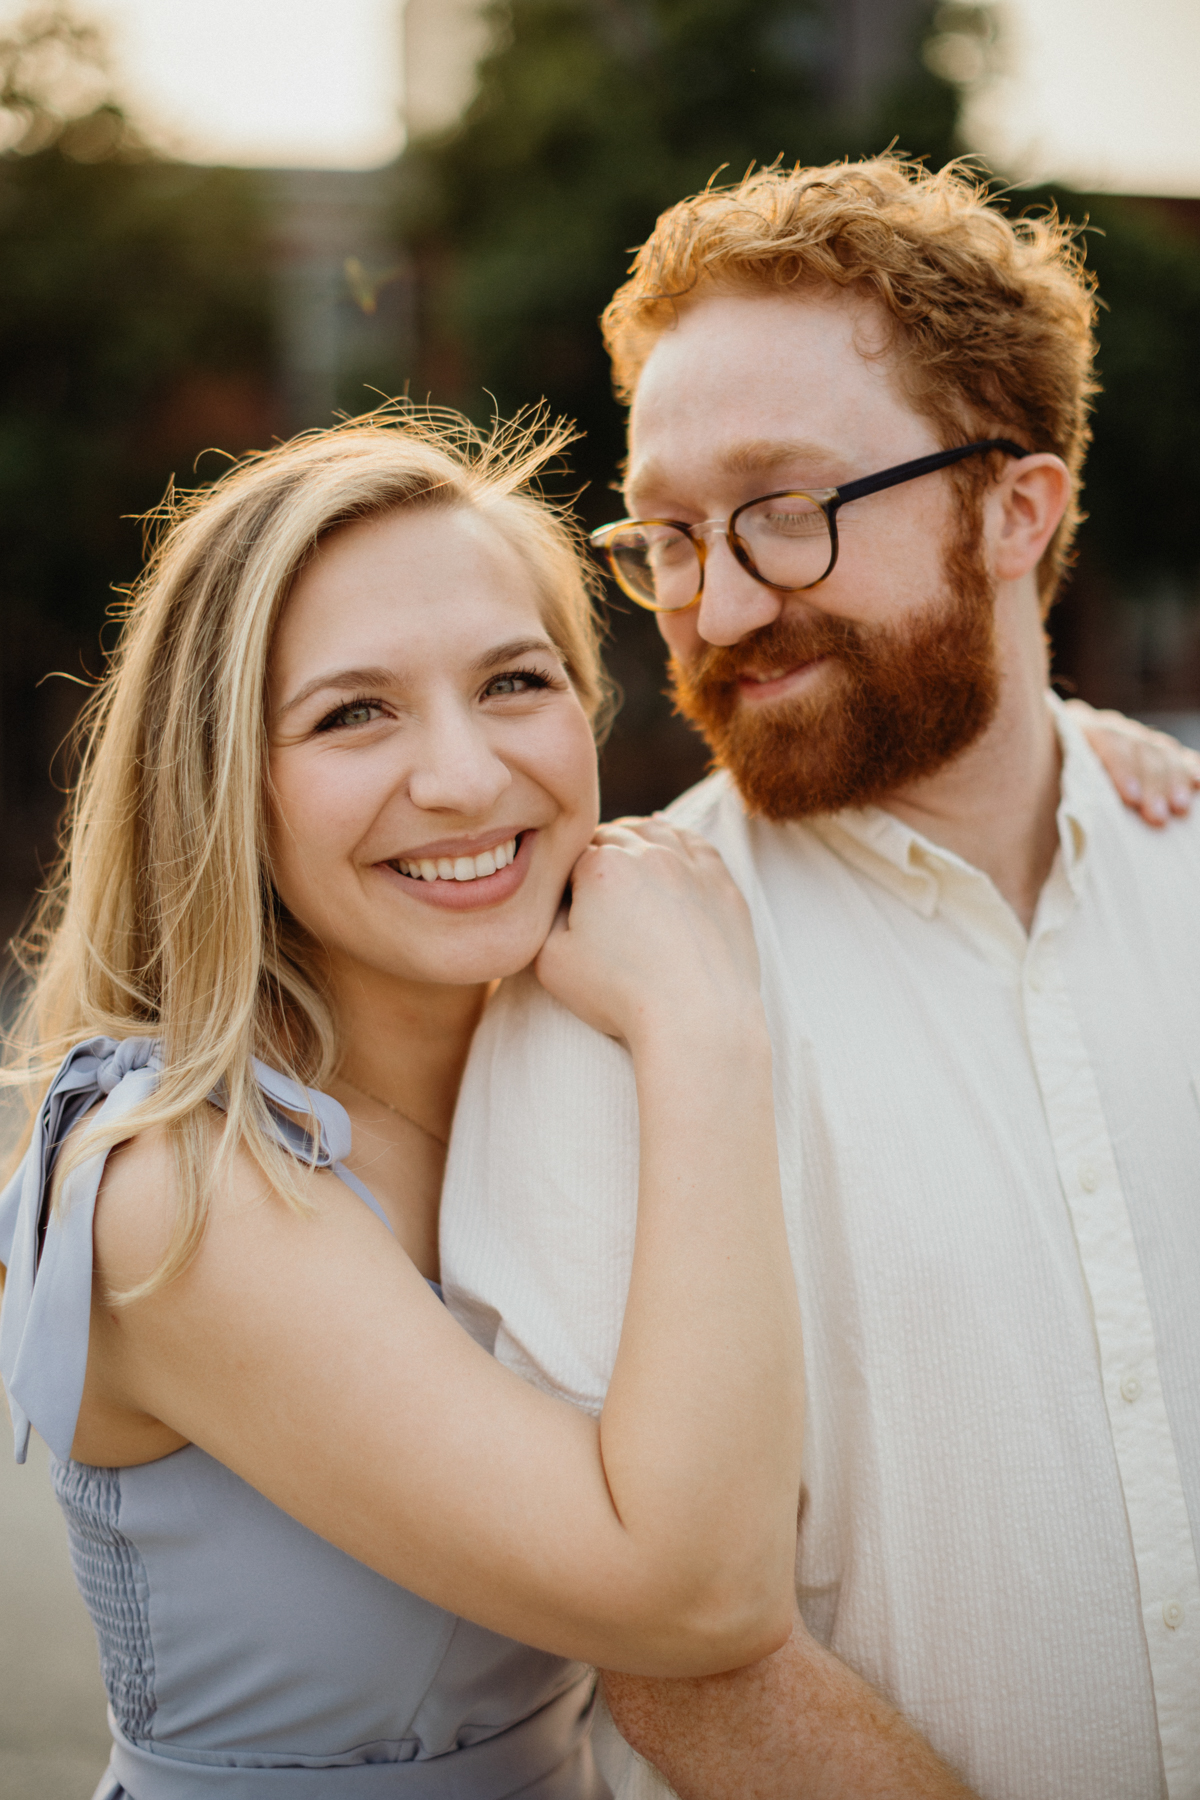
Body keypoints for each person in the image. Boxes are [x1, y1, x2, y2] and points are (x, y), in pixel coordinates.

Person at [440, 159, 1200, 1799]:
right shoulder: (594, 987)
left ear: (1018, 510)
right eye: (668, 537)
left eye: (786, 512)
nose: (715, 605)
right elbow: (680, 1671)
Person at [0, 412, 811, 1798]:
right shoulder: (175, 1192)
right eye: (352, 712)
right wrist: (703, 1034)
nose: (464, 776)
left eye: (514, 681)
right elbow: (699, 1599)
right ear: (226, 787)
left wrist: (1090, 760)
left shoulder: (553, 1046)